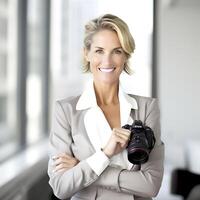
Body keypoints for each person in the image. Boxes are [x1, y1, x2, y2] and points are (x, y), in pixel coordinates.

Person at [48, 14, 164, 200]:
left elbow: (151, 185)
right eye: (99, 51)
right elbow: (60, 188)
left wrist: (82, 166)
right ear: (86, 53)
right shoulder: (66, 110)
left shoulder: (147, 108)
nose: (107, 61)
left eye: (117, 51)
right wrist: (105, 154)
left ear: (126, 55)